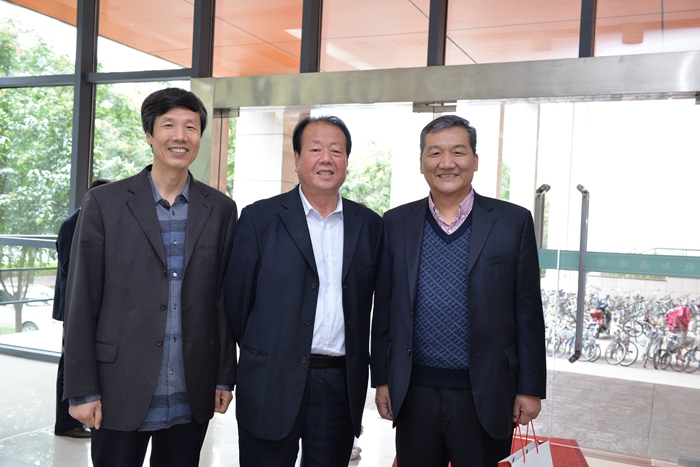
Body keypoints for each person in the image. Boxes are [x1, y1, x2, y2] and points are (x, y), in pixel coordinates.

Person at [63, 87, 238, 467]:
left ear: (200, 136)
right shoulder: (105, 203)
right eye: (168, 125)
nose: (180, 136)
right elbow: (82, 301)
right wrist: (81, 389)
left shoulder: (221, 209)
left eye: (190, 127)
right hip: (118, 386)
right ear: (149, 134)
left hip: (192, 387)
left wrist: (224, 376)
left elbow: (222, 301)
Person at [371, 115, 546, 467]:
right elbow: (385, 309)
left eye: (458, 152)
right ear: (422, 162)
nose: (447, 163)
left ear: (475, 160)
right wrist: (383, 380)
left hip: (487, 392)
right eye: (435, 153)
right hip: (414, 392)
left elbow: (528, 313)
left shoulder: (513, 222)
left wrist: (530, 388)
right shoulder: (395, 222)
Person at [223, 115, 382, 467]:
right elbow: (236, 302)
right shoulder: (259, 219)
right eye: (315, 149)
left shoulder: (370, 226)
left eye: (336, 151)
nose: (326, 159)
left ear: (346, 161)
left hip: (338, 384)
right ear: (296, 159)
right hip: (270, 380)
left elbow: (380, 306)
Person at [53, 178, 109, 439]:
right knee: (70, 364)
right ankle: (65, 424)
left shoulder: (93, 221)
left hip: (87, 305)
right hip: (72, 305)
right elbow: (70, 266)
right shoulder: (71, 224)